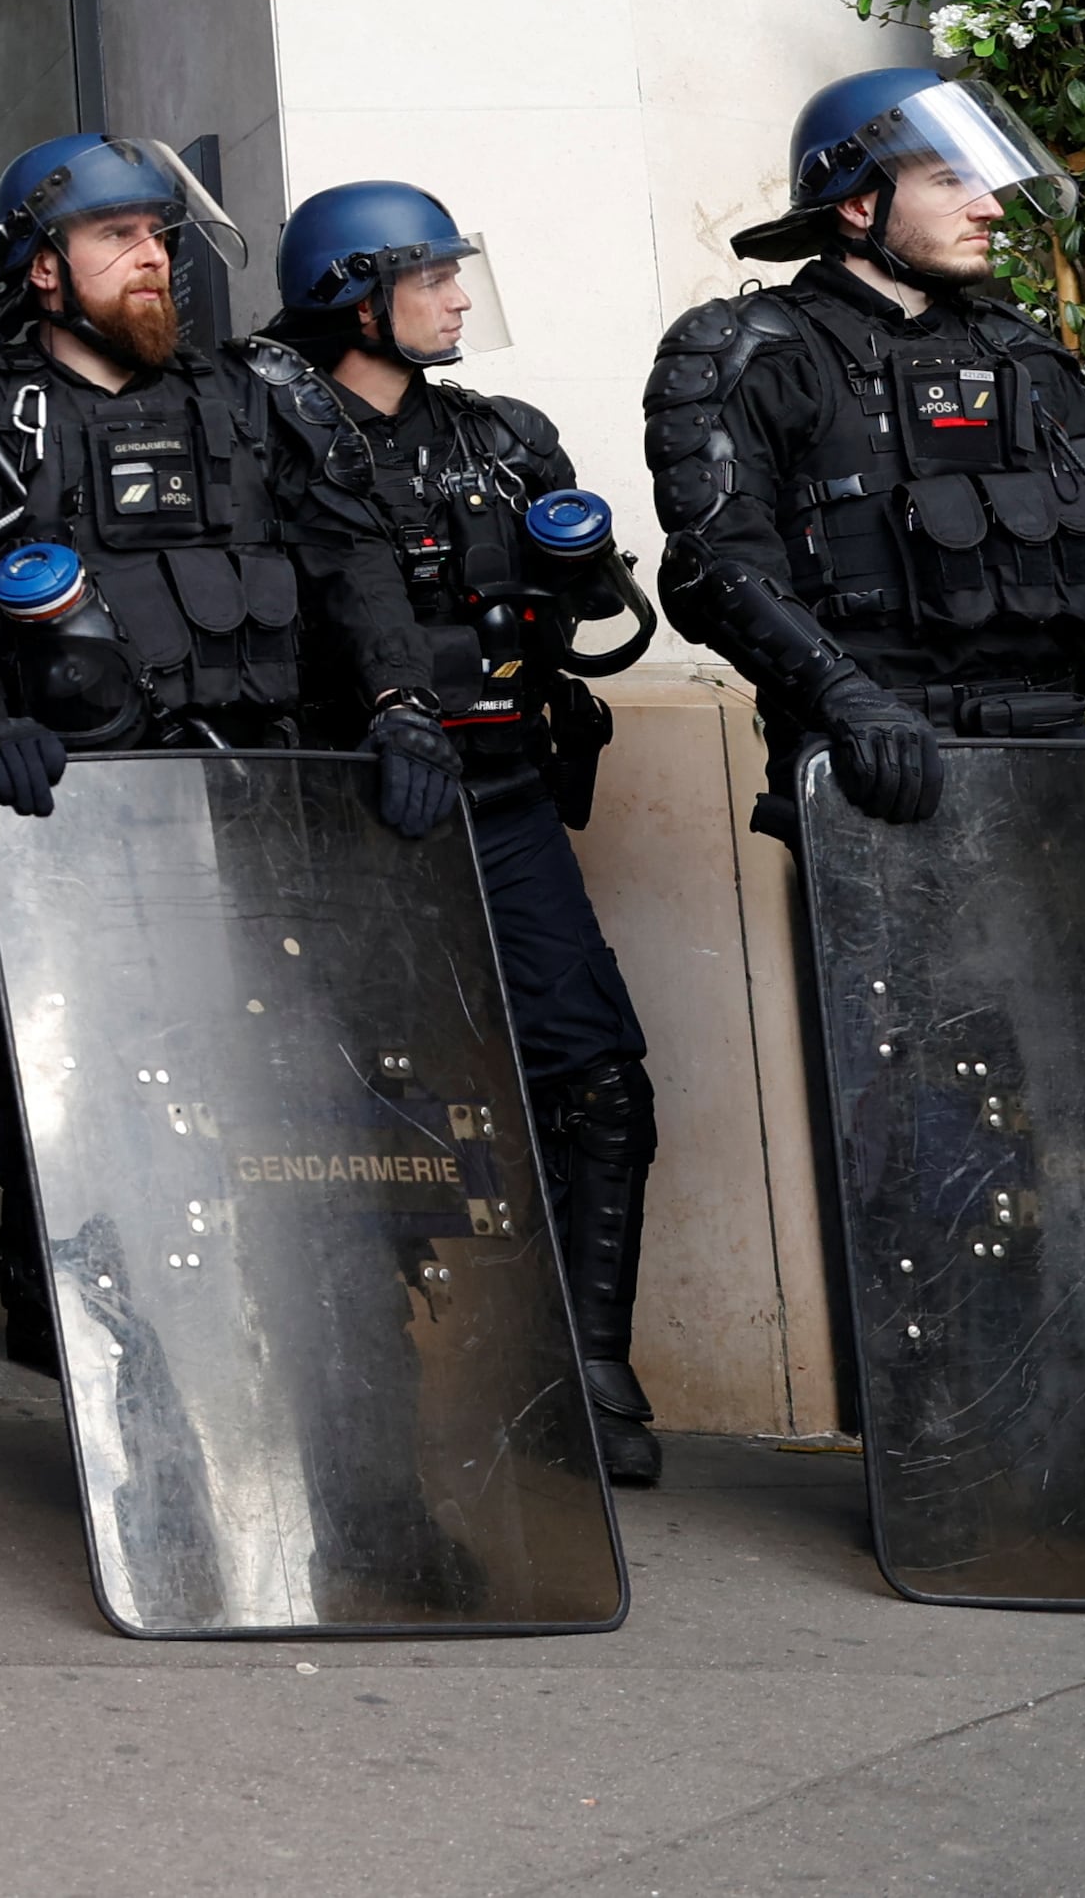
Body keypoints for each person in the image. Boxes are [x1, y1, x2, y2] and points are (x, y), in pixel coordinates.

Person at [0, 136, 450, 1366]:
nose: (150, 260)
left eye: (159, 237)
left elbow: (351, 564)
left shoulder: (259, 397)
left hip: (260, 805)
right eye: (116, 239)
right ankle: (84, 1345)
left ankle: (315, 1360)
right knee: (84, 1098)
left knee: (285, 1091)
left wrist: (400, 704)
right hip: (77, 821)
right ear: (39, 270)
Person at [263, 181, 666, 1482]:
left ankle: (589, 1371)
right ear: (352, 292)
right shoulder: (271, 441)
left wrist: (565, 586)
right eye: (432, 276)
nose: (456, 298)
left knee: (598, 1073)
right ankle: (367, 1392)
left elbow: (582, 612)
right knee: (362, 1107)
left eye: (458, 273)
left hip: (499, 790)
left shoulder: (501, 435)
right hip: (342, 807)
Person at [646, 66, 1085, 832]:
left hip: (1055, 758)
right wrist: (844, 699)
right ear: (860, 202)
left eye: (987, 181)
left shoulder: (1020, 352)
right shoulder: (756, 349)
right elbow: (715, 565)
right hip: (882, 763)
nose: (990, 206)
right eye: (953, 180)